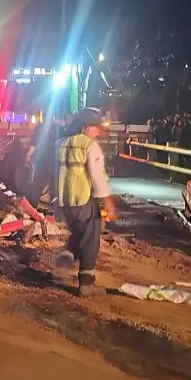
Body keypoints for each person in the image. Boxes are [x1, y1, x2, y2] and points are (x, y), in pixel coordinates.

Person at [54, 107, 116, 297]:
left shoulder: (60, 143)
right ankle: (87, 284)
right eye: (96, 128)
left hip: (65, 201)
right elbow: (96, 176)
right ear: (86, 127)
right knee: (91, 236)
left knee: (80, 231)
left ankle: (68, 254)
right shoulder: (89, 145)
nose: (99, 132)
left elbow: (54, 173)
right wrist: (107, 201)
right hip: (82, 199)